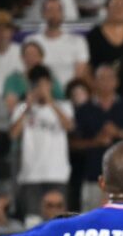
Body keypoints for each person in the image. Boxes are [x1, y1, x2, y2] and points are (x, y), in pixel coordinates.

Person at [72, 63, 123, 211]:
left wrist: (119, 133)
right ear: (94, 82)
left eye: (110, 78)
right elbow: (74, 144)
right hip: (93, 176)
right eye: (101, 78)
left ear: (117, 82)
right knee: (91, 219)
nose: (106, 82)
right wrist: (96, 141)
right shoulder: (84, 110)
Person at [9, 65, 74, 220]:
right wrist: (27, 107)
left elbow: (69, 126)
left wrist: (50, 102)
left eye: (45, 84)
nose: (42, 89)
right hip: (31, 175)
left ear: (50, 85)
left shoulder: (64, 106)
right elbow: (13, 134)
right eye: (37, 85)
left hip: (58, 174)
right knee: (32, 220)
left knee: (60, 220)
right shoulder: (22, 108)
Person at [28, 0, 90, 89]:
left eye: (58, 10)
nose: (54, 14)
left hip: (70, 93)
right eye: (50, 10)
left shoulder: (78, 41)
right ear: (43, 14)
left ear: (63, 14)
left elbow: (80, 73)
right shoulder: (32, 41)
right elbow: (29, 71)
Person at [4, 41, 65, 112]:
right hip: (24, 117)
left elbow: (62, 101)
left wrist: (47, 97)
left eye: (35, 55)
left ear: (41, 58)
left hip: (50, 117)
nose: (31, 58)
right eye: (27, 55)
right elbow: (11, 106)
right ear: (22, 58)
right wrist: (26, 104)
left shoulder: (51, 78)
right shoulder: (13, 79)